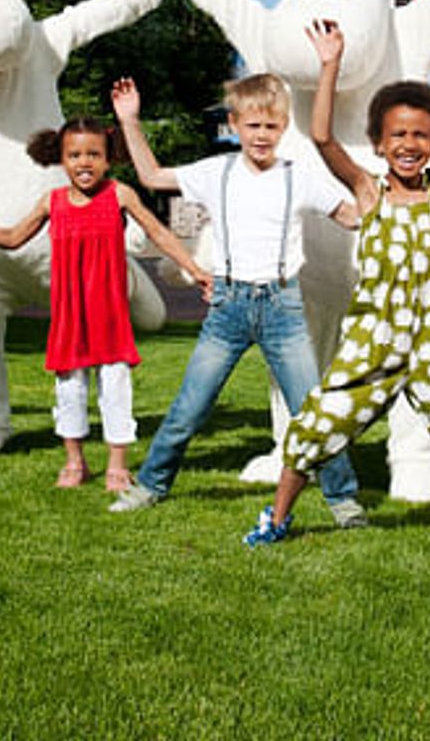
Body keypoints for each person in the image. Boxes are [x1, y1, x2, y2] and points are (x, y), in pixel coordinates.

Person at [243, 0, 430, 562]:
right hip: (374, 340)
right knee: (316, 425)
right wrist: (330, 64)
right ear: (379, 142)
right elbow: (322, 137)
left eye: (420, 135)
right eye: (397, 134)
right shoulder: (368, 192)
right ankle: (275, 520)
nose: (408, 144)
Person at [107, 73, 367, 528]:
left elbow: (353, 217)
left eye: (271, 126)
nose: (261, 136)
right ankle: (150, 484)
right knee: (189, 407)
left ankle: (342, 499)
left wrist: (390, 192)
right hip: (228, 308)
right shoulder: (216, 172)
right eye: (252, 126)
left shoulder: (300, 178)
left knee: (312, 411)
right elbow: (151, 176)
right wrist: (130, 120)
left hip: (282, 309)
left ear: (283, 127)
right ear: (234, 124)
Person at [0, 117, 212, 491]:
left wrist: (195, 270)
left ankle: (117, 465)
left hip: (110, 315)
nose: (84, 162)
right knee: (69, 391)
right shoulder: (51, 202)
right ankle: (75, 462)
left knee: (115, 390)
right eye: (74, 155)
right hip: (69, 318)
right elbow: (12, 238)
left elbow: (159, 233)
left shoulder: (120, 195)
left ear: (108, 158)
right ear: (61, 158)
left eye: (93, 154)